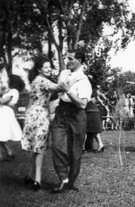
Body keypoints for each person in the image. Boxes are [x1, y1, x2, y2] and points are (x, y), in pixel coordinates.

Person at [52, 50, 92, 193]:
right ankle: (63, 178)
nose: (67, 61)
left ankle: (71, 180)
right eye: (66, 58)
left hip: (77, 114)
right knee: (57, 145)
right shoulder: (63, 73)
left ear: (79, 60)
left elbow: (82, 104)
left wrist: (68, 90)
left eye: (70, 58)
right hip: (61, 111)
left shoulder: (84, 81)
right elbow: (57, 91)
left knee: (75, 151)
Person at [21, 56, 59, 190]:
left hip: (32, 113)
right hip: (40, 114)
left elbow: (31, 101)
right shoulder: (43, 80)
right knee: (40, 148)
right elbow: (58, 87)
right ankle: (37, 180)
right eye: (46, 67)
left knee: (36, 147)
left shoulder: (34, 81)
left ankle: (30, 175)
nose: (49, 69)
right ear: (39, 69)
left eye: (50, 67)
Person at [0, 75, 25, 161]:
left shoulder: (14, 91)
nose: (7, 82)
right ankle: (8, 152)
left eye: (8, 81)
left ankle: (6, 152)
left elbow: (3, 101)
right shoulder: (9, 91)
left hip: (6, 112)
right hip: (2, 111)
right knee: (1, 135)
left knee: (1, 134)